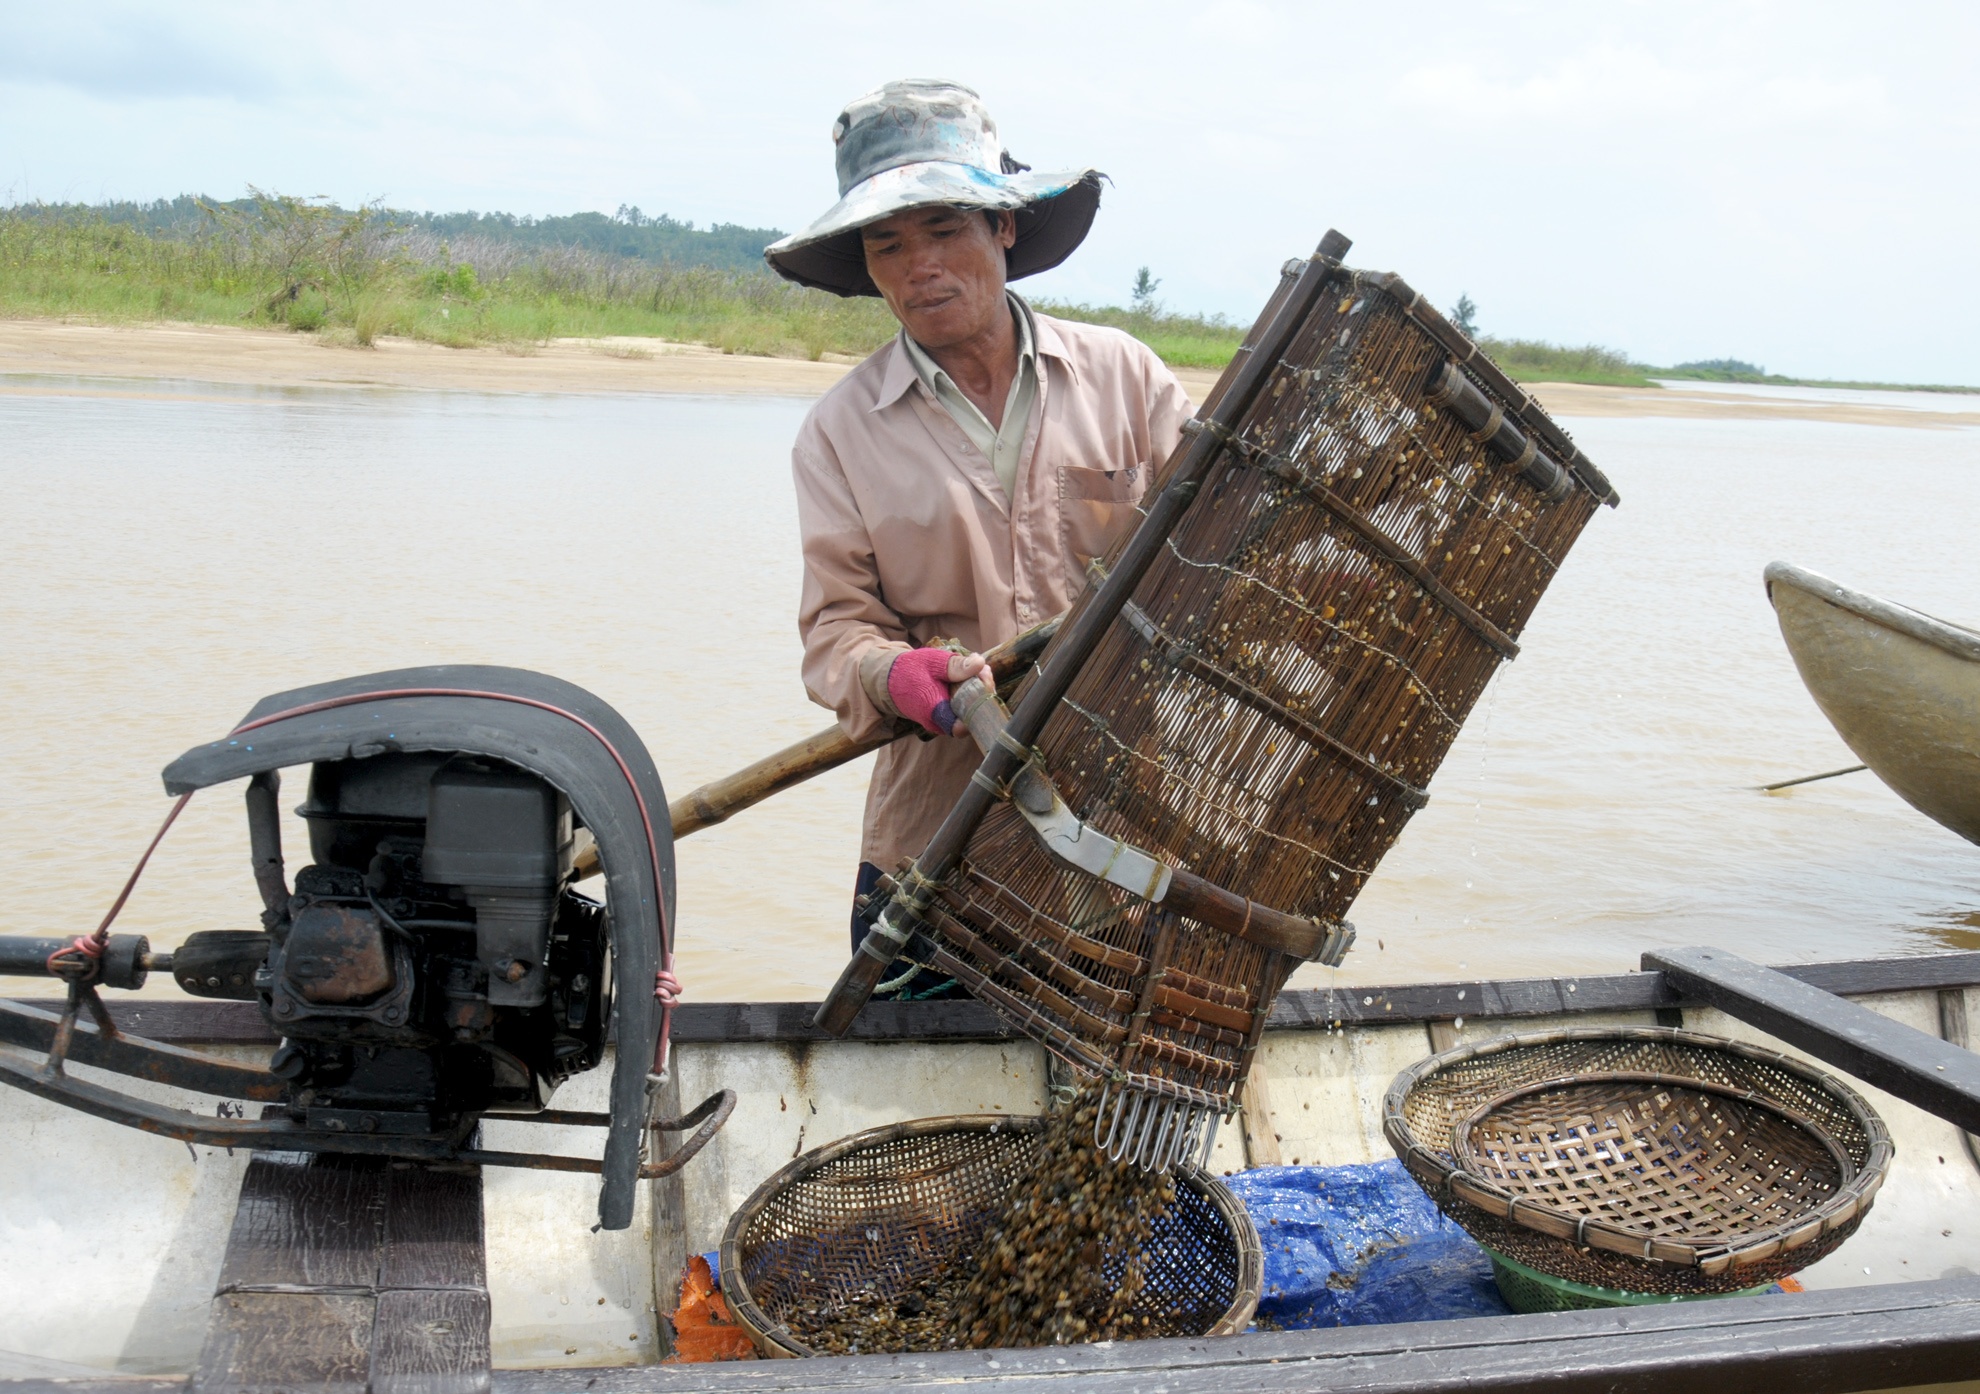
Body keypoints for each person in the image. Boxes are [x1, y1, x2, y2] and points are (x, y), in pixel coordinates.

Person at [766, 80, 1193, 994]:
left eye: (946, 230)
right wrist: (896, 676)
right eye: (889, 243)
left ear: (1004, 227)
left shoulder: (1124, 377)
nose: (921, 265)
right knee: (920, 1116)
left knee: (1128, 1109)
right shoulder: (841, 431)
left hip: (1121, 836)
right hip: (937, 849)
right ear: (867, 265)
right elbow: (834, 636)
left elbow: (1212, 557)